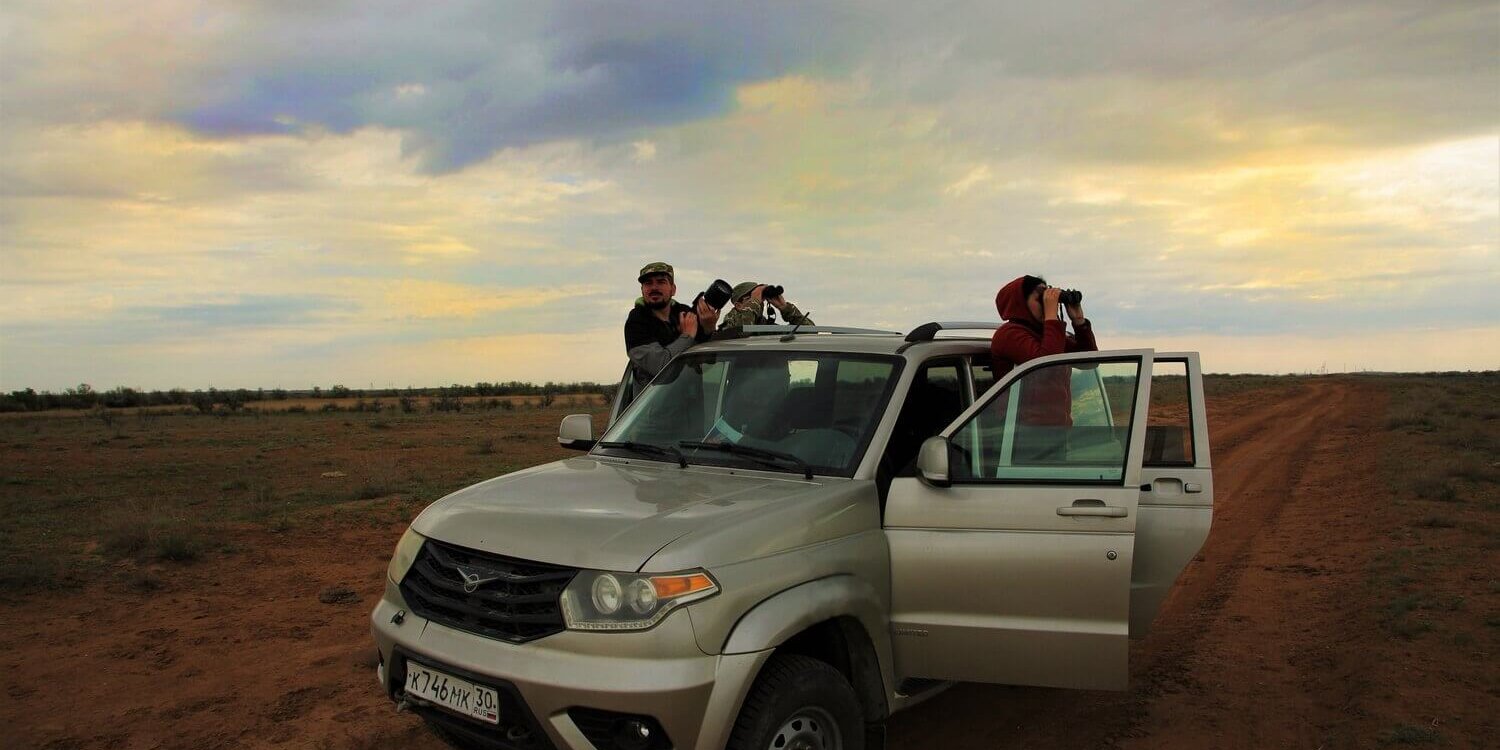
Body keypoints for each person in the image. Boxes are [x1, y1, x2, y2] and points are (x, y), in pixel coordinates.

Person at [990, 275, 1098, 457]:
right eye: (1040, 298)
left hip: (1055, 434)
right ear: (1020, 303)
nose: (1047, 303)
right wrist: (1051, 318)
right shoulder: (1009, 334)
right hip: (1022, 437)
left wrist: (1079, 321)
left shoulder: (1047, 335)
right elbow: (1046, 365)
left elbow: (1089, 361)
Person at [623, 262, 720, 394]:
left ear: (673, 289)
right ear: (642, 290)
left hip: (692, 404)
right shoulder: (636, 322)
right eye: (648, 283)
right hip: (654, 405)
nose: (654, 287)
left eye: (661, 282)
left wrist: (709, 329)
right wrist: (687, 337)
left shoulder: (685, 314)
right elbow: (661, 367)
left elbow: (708, 363)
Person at [717, 282, 814, 331]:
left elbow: (810, 331)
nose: (759, 303)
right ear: (738, 305)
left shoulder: (763, 325)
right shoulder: (731, 322)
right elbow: (742, 332)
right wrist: (755, 301)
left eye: (761, 298)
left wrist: (785, 308)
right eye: (752, 299)